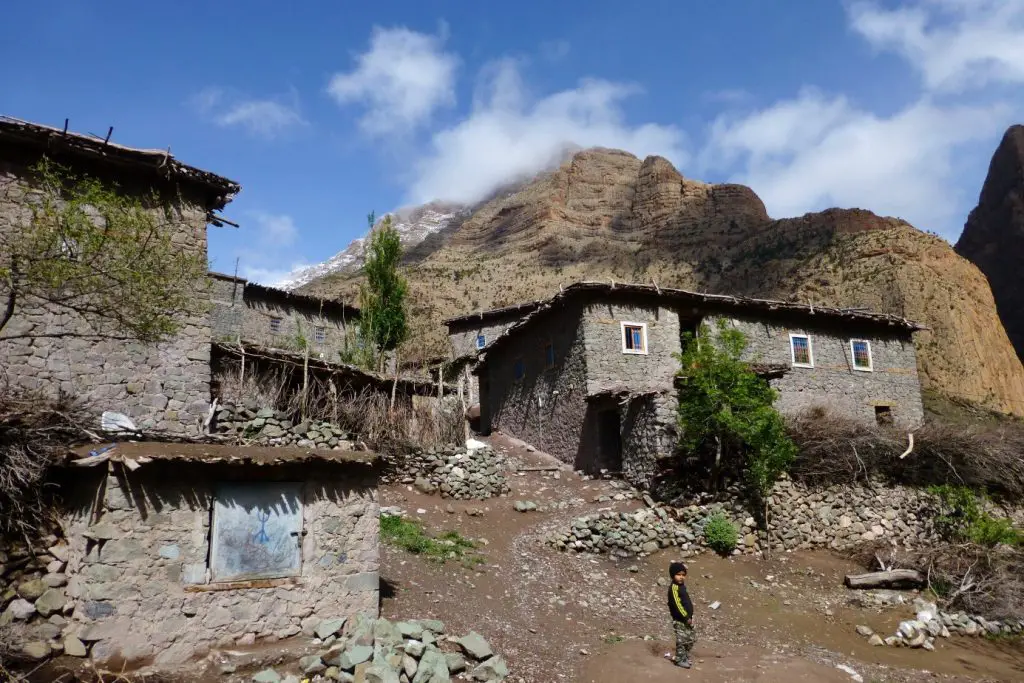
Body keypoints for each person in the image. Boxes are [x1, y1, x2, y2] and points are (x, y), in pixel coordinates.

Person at [667, 561, 695, 668]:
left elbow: (686, 602)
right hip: (680, 619)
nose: (681, 577)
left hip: (688, 618)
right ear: (673, 575)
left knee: (691, 638)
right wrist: (686, 617)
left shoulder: (682, 586)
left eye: (683, 575)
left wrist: (691, 616)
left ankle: (684, 656)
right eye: (678, 575)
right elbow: (678, 605)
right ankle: (679, 659)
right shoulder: (674, 588)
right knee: (681, 639)